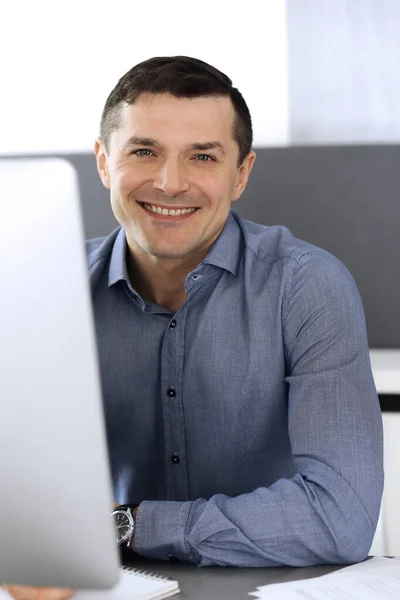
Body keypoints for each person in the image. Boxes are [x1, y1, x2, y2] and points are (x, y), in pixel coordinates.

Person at [3, 56, 383, 600]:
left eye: (202, 156)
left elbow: (337, 516)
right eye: (144, 151)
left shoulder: (307, 286)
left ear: (241, 174)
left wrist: (126, 524)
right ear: (104, 162)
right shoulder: (42, 289)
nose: (170, 182)